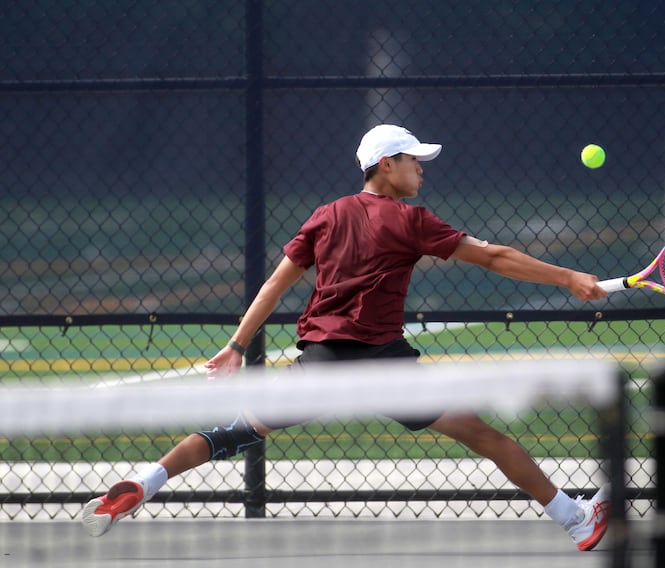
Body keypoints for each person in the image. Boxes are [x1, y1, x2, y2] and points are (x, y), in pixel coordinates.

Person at [81, 124, 611, 551]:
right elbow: (494, 256)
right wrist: (568, 277)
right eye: (412, 160)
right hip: (385, 364)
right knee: (484, 436)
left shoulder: (325, 216)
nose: (421, 169)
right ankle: (574, 519)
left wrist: (238, 346)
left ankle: (146, 483)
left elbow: (274, 283)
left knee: (233, 433)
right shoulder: (411, 220)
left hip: (324, 360)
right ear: (387, 165)